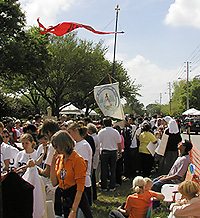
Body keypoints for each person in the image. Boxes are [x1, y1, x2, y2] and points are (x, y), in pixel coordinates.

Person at [50, 130, 93, 218]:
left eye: (56, 146)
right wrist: (53, 163)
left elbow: (80, 188)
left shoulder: (77, 160)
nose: (55, 149)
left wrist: (73, 210)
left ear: (63, 145)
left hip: (75, 197)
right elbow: (54, 182)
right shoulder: (60, 159)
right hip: (62, 196)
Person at [67, 122, 93, 206]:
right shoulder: (75, 144)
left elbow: (83, 165)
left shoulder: (84, 145)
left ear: (75, 131)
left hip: (83, 181)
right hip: (76, 181)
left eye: (70, 132)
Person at [98, 117, 122, 191]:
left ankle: (104, 186)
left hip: (104, 151)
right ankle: (112, 186)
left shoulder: (101, 132)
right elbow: (119, 143)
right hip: (113, 152)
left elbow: (98, 143)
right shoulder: (115, 132)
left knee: (104, 170)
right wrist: (120, 152)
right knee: (113, 169)